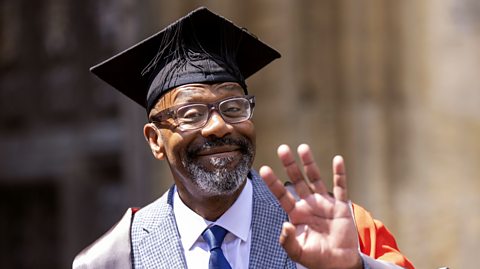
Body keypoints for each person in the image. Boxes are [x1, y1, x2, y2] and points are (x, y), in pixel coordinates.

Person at [73, 7, 414, 269]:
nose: (218, 126)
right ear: (155, 140)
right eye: (192, 114)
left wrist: (355, 268)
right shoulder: (115, 258)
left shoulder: (336, 228)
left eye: (233, 107)